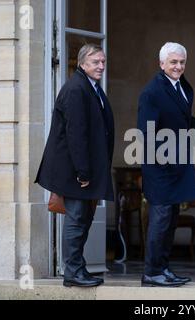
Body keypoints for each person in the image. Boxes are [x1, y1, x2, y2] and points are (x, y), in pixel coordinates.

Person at [35, 44, 114, 287]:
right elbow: (76, 133)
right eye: (94, 61)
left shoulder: (91, 87)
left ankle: (79, 268)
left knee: (84, 219)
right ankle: (72, 273)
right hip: (74, 170)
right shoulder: (76, 88)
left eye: (102, 61)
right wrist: (83, 171)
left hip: (83, 168)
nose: (100, 65)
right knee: (77, 219)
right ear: (81, 63)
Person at [137, 42, 195, 287]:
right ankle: (151, 272)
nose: (178, 66)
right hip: (161, 167)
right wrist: (164, 163)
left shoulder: (182, 86)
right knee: (161, 219)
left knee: (171, 219)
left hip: (178, 165)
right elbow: (147, 133)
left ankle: (163, 268)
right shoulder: (152, 92)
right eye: (173, 62)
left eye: (182, 62)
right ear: (161, 63)